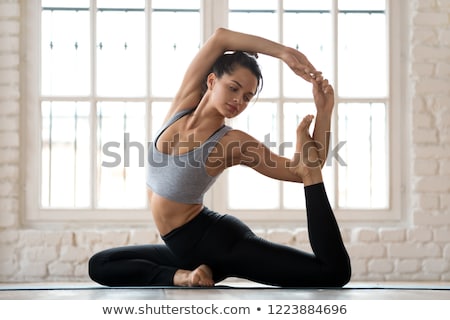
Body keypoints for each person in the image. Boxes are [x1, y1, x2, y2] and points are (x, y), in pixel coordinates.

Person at [89, 28, 351, 287]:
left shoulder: (230, 142)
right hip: (183, 249)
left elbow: (303, 170)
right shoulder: (183, 105)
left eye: (247, 97)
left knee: (333, 273)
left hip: (220, 245)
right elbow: (220, 38)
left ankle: (195, 272)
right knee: (100, 264)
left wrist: (324, 112)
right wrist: (283, 53)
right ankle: (185, 275)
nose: (239, 100)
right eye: (233, 88)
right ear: (212, 81)